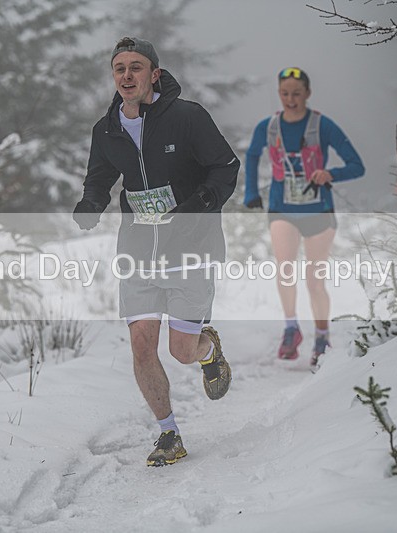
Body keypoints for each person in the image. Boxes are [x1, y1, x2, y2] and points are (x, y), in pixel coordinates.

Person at [73, 37, 240, 467]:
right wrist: (92, 204)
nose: (126, 75)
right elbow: (100, 178)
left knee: (180, 351)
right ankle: (169, 433)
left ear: (154, 75)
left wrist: (199, 205)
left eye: (135, 67)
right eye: (119, 68)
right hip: (137, 252)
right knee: (142, 347)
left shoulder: (186, 118)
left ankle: (208, 351)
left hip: (190, 250)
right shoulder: (107, 129)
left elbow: (225, 167)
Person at [243, 67, 364, 369]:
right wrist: (250, 192)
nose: (291, 99)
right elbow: (252, 155)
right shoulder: (268, 127)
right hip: (282, 208)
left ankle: (322, 335)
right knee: (284, 270)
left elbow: (356, 165)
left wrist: (330, 173)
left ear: (308, 93)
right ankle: (291, 328)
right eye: (285, 93)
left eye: (297, 93)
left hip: (318, 211)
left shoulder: (323, 126)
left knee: (314, 281)